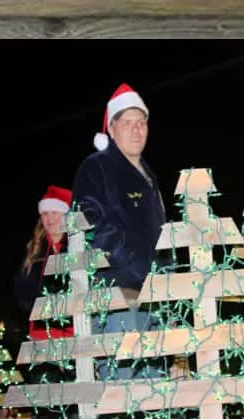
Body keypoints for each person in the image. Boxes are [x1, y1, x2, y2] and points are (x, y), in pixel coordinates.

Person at [72, 83, 170, 381]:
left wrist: (166, 275)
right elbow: (90, 224)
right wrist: (134, 265)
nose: (136, 130)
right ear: (111, 130)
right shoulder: (97, 168)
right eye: (127, 123)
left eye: (141, 122)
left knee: (155, 388)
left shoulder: (149, 176)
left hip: (155, 299)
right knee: (125, 391)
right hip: (119, 297)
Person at [14, 185, 79, 419]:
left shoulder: (76, 247)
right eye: (45, 214)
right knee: (44, 401)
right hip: (41, 339)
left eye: (56, 213)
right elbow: (21, 288)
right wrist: (35, 308)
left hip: (72, 338)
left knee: (73, 401)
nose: (50, 219)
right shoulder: (36, 250)